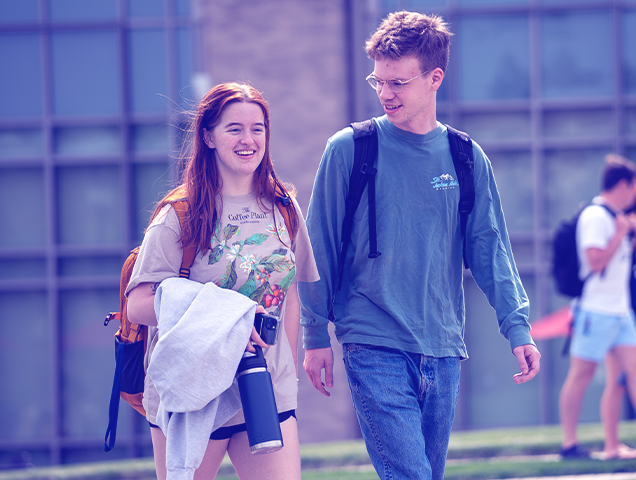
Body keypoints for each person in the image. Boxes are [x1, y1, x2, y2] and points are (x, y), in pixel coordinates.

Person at [298, 10, 541, 480]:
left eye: (398, 83)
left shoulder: (466, 157)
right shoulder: (349, 149)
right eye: (379, 81)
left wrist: (518, 327)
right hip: (372, 340)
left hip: (444, 347)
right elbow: (318, 248)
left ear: (435, 78)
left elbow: (490, 249)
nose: (385, 93)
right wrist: (314, 336)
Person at [125, 82, 319, 480]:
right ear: (209, 136)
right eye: (235, 129)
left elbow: (292, 294)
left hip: (264, 389)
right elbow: (138, 306)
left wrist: (285, 371)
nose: (248, 139)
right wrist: (223, 316)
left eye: (258, 128)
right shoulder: (179, 214)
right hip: (193, 392)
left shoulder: (283, 208)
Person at [559, 155, 636, 460]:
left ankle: (612, 445)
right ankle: (569, 444)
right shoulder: (596, 216)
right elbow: (594, 261)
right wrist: (620, 233)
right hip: (594, 311)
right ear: (623, 185)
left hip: (620, 312)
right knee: (582, 374)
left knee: (632, 374)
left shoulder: (616, 217)